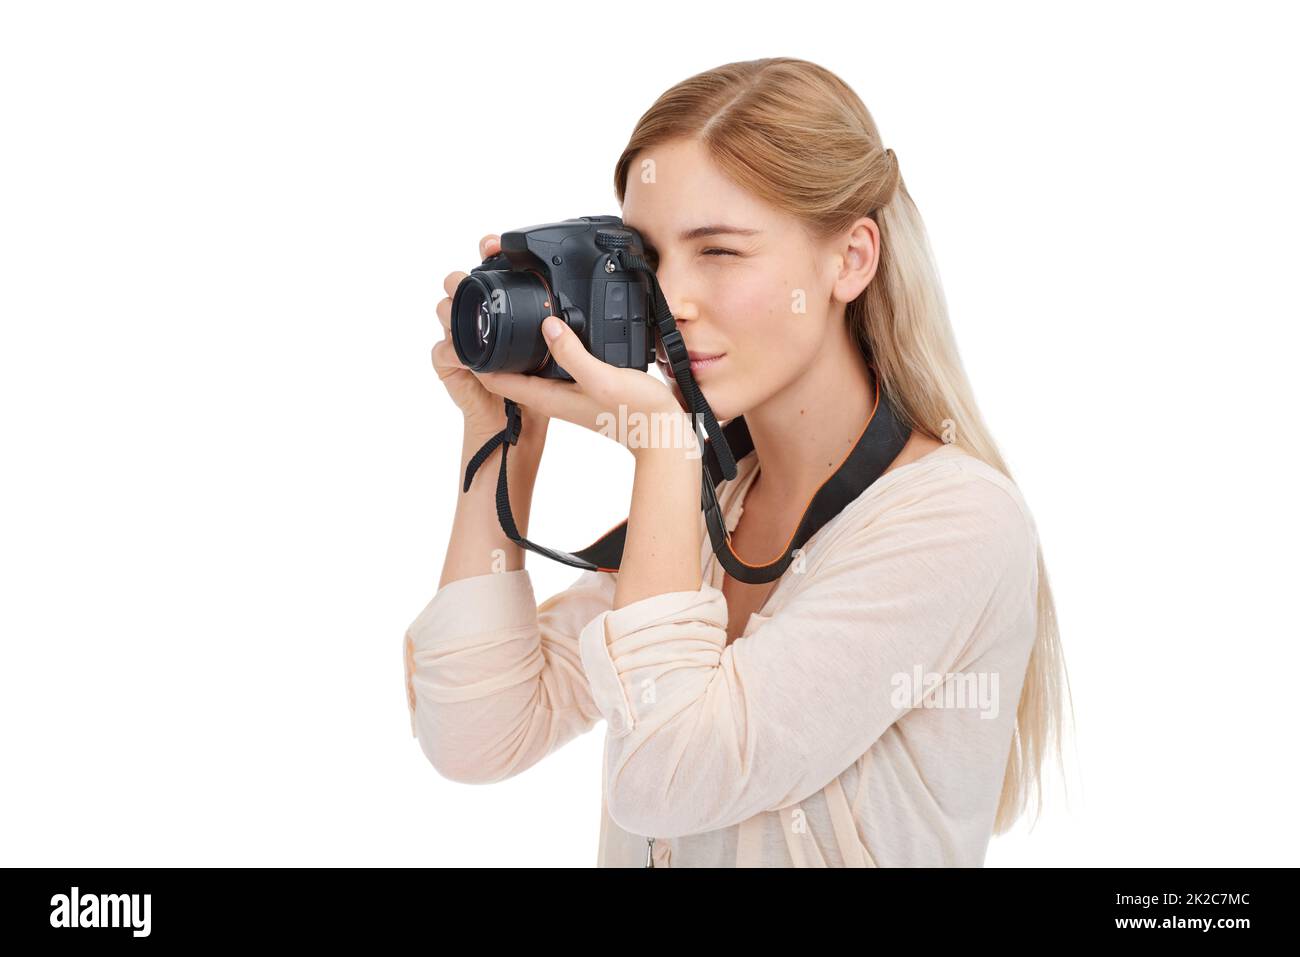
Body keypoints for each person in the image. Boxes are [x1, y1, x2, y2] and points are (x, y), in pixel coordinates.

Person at [404, 56, 1070, 867]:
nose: (671, 303)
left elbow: (668, 774)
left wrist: (661, 453)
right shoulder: (709, 501)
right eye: (646, 259)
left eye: (718, 251)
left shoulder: (958, 522)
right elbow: (478, 735)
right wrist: (499, 437)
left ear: (851, 260)